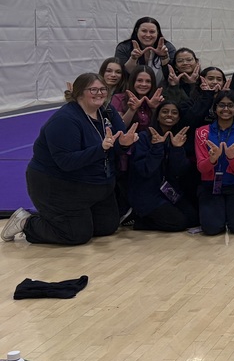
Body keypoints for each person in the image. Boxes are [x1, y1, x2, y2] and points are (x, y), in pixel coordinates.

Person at [4, 74, 139, 245]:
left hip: (93, 185)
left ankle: (71, 217)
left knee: (106, 227)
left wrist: (124, 144)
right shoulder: (65, 120)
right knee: (76, 234)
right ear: (79, 93)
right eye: (93, 89)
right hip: (58, 184)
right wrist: (101, 148)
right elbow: (66, 162)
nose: (99, 93)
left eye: (103, 89)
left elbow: (116, 146)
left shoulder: (108, 113)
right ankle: (26, 222)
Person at [126, 101, 198, 232]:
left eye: (174, 112)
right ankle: (139, 220)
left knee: (194, 218)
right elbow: (145, 170)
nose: (169, 115)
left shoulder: (177, 138)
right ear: (157, 116)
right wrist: (157, 147)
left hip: (167, 191)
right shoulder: (143, 137)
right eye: (165, 111)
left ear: (179, 118)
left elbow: (179, 170)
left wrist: (177, 149)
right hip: (146, 193)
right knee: (179, 223)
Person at [195, 90, 234, 235]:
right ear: (215, 108)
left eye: (230, 105)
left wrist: (231, 158)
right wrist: (212, 160)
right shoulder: (202, 132)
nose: (226, 109)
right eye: (221, 105)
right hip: (211, 186)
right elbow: (202, 169)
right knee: (211, 229)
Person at [114, 17, 175, 86]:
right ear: (137, 30)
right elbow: (122, 74)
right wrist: (133, 59)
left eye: (152, 32)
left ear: (158, 32)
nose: (148, 35)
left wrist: (164, 57)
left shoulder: (167, 47)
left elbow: (172, 76)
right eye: (144, 31)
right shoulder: (124, 47)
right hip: (131, 90)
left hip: (161, 91)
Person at [111, 66, 163, 130]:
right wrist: (132, 110)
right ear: (133, 81)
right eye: (139, 80)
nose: (144, 84)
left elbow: (162, 127)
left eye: (148, 81)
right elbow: (118, 127)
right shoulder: (119, 98)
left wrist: (154, 109)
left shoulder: (156, 100)